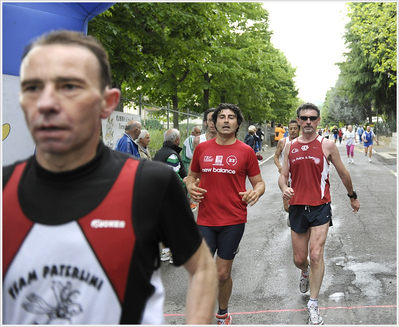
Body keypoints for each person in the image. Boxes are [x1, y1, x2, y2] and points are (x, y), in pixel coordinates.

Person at [3, 30, 217, 325]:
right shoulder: (4, 190)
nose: (47, 103)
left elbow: (203, 267)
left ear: (107, 103)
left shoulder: (150, 184)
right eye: (32, 88)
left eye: (69, 86)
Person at [278, 103, 360, 325]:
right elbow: (283, 175)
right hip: (297, 207)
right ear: (297, 120)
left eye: (312, 118)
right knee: (299, 259)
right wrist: (283, 188)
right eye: (303, 118)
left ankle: (313, 304)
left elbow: (343, 173)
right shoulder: (290, 146)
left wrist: (352, 195)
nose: (307, 122)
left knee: (316, 255)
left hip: (320, 206)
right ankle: (304, 272)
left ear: (318, 120)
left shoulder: (327, 145)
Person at [187, 103, 265, 325]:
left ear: (237, 123)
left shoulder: (246, 151)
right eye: (222, 117)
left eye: (231, 117)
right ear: (214, 122)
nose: (226, 120)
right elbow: (191, 176)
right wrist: (190, 186)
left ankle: (222, 313)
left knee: (221, 274)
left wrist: (255, 193)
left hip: (233, 220)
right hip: (205, 220)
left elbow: (259, 183)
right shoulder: (202, 149)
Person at [154, 128, 189, 264]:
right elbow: (173, 177)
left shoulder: (159, 153)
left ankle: (165, 251)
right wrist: (185, 183)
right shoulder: (172, 155)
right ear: (176, 140)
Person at [273, 119, 300, 213]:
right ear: (287, 129)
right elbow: (275, 157)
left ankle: (297, 220)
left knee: (300, 202)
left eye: (295, 128)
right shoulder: (282, 142)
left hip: (299, 177)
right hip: (286, 178)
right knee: (287, 207)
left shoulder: (303, 141)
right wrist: (280, 167)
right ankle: (292, 215)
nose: (292, 130)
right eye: (290, 128)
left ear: (299, 130)